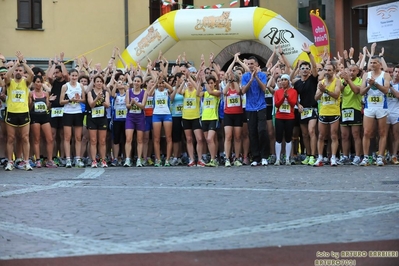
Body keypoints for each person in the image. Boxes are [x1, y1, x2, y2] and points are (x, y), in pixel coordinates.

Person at [4, 51, 34, 171]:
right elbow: (6, 76)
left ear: (23, 73)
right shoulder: (9, 82)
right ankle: (10, 162)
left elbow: (31, 74)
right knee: (11, 138)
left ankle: (26, 161)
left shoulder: (25, 82)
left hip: (23, 112)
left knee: (25, 138)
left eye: (20, 71)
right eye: (17, 70)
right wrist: (16, 65)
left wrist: (23, 63)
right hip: (11, 112)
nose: (18, 72)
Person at [359, 56, 391, 166]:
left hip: (381, 106)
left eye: (375, 62)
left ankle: (380, 156)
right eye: (371, 62)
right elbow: (361, 92)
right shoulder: (366, 75)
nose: (372, 64)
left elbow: (386, 90)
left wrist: (375, 84)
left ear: (380, 64)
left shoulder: (385, 75)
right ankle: (366, 157)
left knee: (382, 132)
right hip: (369, 106)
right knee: (367, 132)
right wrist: (369, 86)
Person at [294, 43, 319, 166]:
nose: (305, 70)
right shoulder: (297, 83)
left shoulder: (313, 79)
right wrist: (298, 105)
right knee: (304, 134)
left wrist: (309, 54)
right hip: (302, 110)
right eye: (302, 68)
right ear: (299, 70)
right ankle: (308, 154)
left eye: (306, 68)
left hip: (313, 109)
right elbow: (294, 96)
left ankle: (313, 155)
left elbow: (315, 67)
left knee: (311, 131)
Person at [241, 56, 268, 166]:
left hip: (261, 107)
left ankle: (264, 156)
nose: (250, 66)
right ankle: (256, 157)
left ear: (256, 64)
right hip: (250, 108)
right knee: (252, 132)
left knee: (262, 131)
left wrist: (256, 77)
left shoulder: (262, 75)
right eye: (249, 64)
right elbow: (243, 91)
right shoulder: (245, 76)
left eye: (252, 63)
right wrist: (251, 79)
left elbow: (264, 88)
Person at [313, 63, 341, 166]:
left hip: (334, 111)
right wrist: (321, 91)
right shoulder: (321, 82)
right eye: (326, 70)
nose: (327, 72)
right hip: (323, 111)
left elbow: (337, 95)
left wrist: (326, 90)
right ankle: (320, 157)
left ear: (333, 71)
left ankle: (333, 157)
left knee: (334, 135)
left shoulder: (337, 81)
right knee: (321, 136)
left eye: (329, 70)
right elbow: (316, 98)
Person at [178, 70, 205, 167]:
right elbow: (179, 91)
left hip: (196, 117)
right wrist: (184, 81)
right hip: (186, 118)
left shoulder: (197, 91)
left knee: (199, 139)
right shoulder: (185, 91)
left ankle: (200, 159)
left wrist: (190, 78)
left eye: (191, 81)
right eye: (188, 82)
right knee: (189, 139)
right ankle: (191, 159)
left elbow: (199, 88)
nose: (189, 83)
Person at [29, 75, 57, 168]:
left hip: (45, 116)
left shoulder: (46, 94)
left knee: (49, 138)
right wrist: (31, 102)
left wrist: (50, 101)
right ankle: (37, 159)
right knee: (37, 139)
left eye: (40, 82)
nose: (39, 84)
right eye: (37, 82)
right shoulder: (31, 93)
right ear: (33, 83)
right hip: (35, 117)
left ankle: (49, 160)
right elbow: (29, 107)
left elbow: (48, 107)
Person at [59, 69, 86, 168]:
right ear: (69, 76)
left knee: (78, 137)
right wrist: (70, 100)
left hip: (78, 112)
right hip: (68, 112)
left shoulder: (81, 86)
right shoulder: (65, 86)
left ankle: (78, 159)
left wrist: (78, 100)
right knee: (67, 137)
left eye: (76, 76)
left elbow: (84, 100)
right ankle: (68, 159)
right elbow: (61, 101)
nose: (74, 78)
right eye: (72, 76)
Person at [338, 64, 363, 165]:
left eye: (354, 71)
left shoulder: (360, 81)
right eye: (350, 70)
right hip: (345, 109)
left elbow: (356, 91)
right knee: (344, 135)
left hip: (355, 109)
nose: (352, 72)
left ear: (357, 72)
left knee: (356, 135)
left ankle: (357, 156)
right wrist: (345, 81)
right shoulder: (343, 81)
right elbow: (338, 90)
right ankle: (345, 155)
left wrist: (349, 80)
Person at [47, 54, 69, 166]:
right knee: (53, 135)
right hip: (54, 110)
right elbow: (49, 76)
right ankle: (54, 156)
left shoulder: (66, 82)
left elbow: (66, 74)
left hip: (64, 109)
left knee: (62, 135)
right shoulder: (54, 82)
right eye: (55, 73)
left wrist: (61, 62)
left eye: (57, 72)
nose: (55, 75)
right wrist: (54, 65)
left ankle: (62, 157)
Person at [148, 73, 174, 167]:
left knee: (168, 137)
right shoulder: (155, 91)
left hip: (166, 114)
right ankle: (158, 159)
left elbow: (171, 89)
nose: (161, 85)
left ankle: (167, 159)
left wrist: (163, 81)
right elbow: (149, 93)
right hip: (156, 115)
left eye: (162, 84)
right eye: (160, 84)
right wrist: (156, 82)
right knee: (156, 138)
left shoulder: (167, 91)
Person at [273, 74, 297, 166]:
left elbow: (292, 103)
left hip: (289, 117)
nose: (283, 81)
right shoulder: (277, 92)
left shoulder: (293, 91)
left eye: (285, 80)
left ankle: (287, 159)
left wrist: (287, 97)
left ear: (288, 81)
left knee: (288, 138)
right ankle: (278, 159)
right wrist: (283, 97)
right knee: (278, 138)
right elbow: (277, 105)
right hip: (279, 116)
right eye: (281, 80)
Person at [124, 75, 148, 167]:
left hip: (140, 117)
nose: (136, 83)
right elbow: (127, 106)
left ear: (141, 83)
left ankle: (139, 159)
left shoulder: (144, 92)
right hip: (130, 117)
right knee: (128, 138)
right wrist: (131, 103)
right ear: (132, 82)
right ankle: (127, 159)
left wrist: (136, 103)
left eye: (138, 81)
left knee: (139, 139)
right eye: (135, 81)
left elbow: (143, 106)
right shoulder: (128, 91)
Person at [87, 75, 110, 168]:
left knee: (102, 141)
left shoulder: (106, 92)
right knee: (93, 140)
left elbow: (107, 105)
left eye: (101, 81)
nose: (99, 83)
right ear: (94, 83)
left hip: (102, 118)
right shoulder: (90, 92)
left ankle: (103, 159)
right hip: (92, 118)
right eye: (97, 81)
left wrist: (102, 99)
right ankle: (93, 160)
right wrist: (97, 98)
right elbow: (91, 104)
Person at [199, 72, 221, 167]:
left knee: (209, 138)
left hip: (213, 118)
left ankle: (213, 159)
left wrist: (204, 81)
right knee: (208, 140)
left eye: (212, 83)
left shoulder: (217, 92)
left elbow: (211, 92)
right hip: (204, 118)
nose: (210, 85)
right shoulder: (205, 93)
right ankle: (213, 157)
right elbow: (197, 94)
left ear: (215, 84)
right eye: (209, 83)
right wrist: (200, 80)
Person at [223, 71, 243, 167]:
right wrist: (229, 81)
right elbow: (224, 92)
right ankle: (227, 158)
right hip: (228, 114)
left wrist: (234, 80)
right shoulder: (227, 87)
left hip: (238, 114)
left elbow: (239, 92)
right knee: (228, 136)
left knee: (238, 137)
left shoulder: (238, 87)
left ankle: (237, 157)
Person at [386, 65, 399, 164]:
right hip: (386, 112)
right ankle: (388, 153)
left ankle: (394, 155)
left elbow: (398, 95)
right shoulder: (386, 83)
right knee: (385, 135)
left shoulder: (392, 85)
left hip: (396, 112)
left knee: (395, 134)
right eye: (396, 72)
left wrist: (390, 87)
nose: (396, 74)